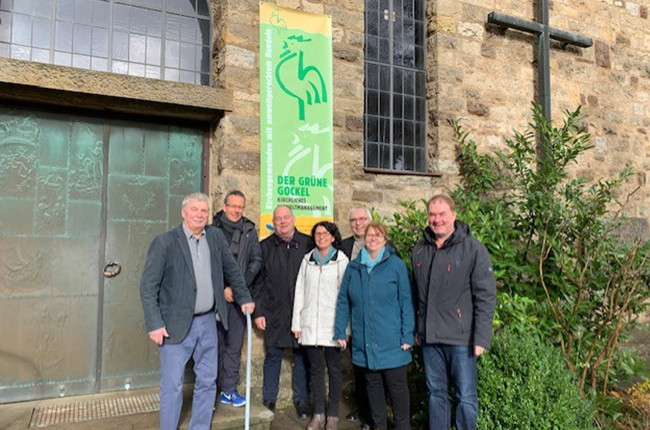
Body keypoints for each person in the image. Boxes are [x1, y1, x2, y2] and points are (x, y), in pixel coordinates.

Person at [139, 192, 255, 430]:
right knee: (172, 384)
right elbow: (148, 286)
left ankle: (200, 427)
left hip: (207, 322)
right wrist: (154, 323)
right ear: (184, 212)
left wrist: (244, 298)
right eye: (195, 210)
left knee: (208, 380)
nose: (200, 215)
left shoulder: (214, 237)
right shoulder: (166, 242)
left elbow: (232, 269)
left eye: (204, 211)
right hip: (173, 325)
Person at [411, 195, 496, 430]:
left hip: (462, 339)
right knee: (435, 394)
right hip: (430, 338)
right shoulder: (420, 250)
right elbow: (416, 293)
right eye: (432, 215)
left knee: (466, 397)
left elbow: (485, 296)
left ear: (454, 216)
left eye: (442, 214)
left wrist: (481, 338)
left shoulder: (473, 249)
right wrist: (418, 328)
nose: (437, 220)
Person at [334, 221, 415, 430]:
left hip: (393, 342)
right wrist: (339, 329)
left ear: (385, 239)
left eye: (378, 236)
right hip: (365, 341)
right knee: (373, 390)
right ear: (364, 238)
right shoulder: (354, 267)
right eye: (370, 235)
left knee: (397, 392)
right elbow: (343, 300)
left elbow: (406, 301)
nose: (373, 239)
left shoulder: (396, 265)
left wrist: (408, 335)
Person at [251, 205, 312, 419]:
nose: (283, 222)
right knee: (273, 356)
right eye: (278, 219)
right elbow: (256, 283)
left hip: (301, 313)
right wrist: (258, 312)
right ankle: (269, 399)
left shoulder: (308, 244)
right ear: (273, 222)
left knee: (302, 357)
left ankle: (302, 400)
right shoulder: (264, 247)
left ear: (294, 219)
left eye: (286, 218)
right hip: (274, 312)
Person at [292, 221, 349, 430]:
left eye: (325, 234)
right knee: (315, 370)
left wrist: (345, 328)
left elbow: (346, 296)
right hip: (310, 325)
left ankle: (332, 415)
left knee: (334, 370)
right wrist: (297, 323)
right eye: (317, 234)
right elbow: (300, 291)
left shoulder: (342, 261)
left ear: (333, 237)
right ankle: (318, 414)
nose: (321, 237)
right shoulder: (307, 260)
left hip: (333, 326)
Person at [212, 190, 262, 407]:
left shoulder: (249, 230)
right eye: (233, 206)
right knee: (213, 346)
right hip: (214, 298)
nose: (237, 210)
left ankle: (229, 390)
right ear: (224, 206)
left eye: (240, 206)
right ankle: (210, 393)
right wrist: (222, 287)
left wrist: (239, 287)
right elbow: (207, 262)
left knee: (234, 345)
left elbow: (256, 261)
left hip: (239, 298)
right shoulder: (212, 229)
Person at [339, 207, 373, 429]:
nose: (358, 223)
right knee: (358, 367)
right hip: (354, 318)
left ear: (370, 221)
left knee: (374, 368)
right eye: (354, 220)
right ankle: (362, 407)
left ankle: (373, 413)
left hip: (375, 317)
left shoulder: (384, 245)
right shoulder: (344, 246)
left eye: (362, 219)